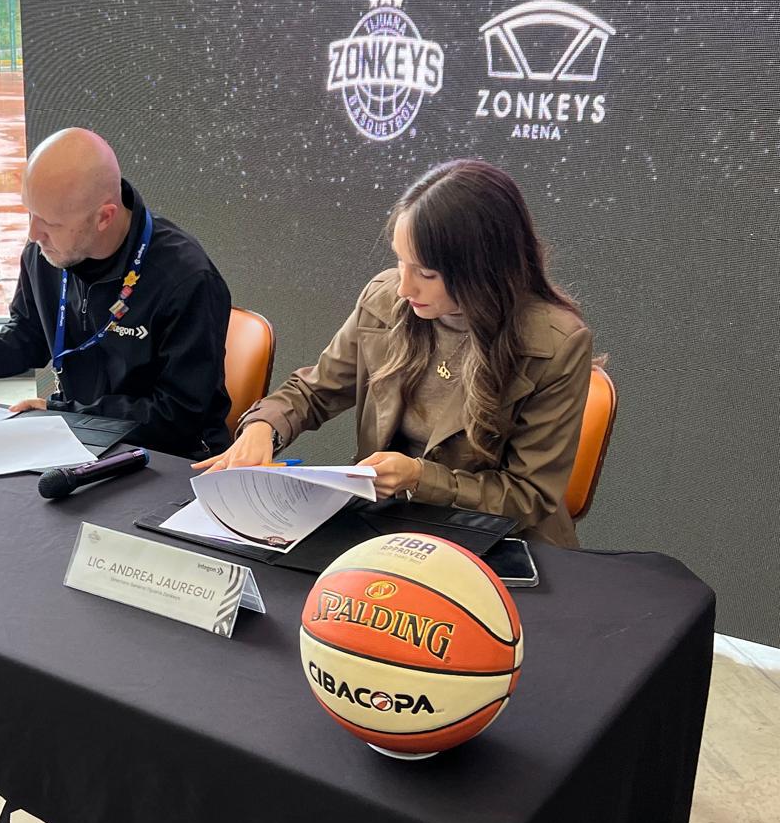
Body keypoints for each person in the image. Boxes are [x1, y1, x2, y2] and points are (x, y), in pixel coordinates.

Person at [194, 159, 593, 546]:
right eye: (401, 262)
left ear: (482, 269)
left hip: (495, 542)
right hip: (387, 527)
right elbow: (314, 392)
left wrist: (421, 478)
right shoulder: (385, 300)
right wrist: (264, 427)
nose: (405, 287)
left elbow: (527, 497)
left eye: (426, 273)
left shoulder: (556, 345)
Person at [0, 128, 232, 460]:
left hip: (169, 457)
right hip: (82, 438)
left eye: (51, 222)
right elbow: (27, 336)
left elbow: (179, 415)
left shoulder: (186, 278)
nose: (34, 233)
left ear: (104, 217)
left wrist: (67, 414)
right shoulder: (48, 252)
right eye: (30, 213)